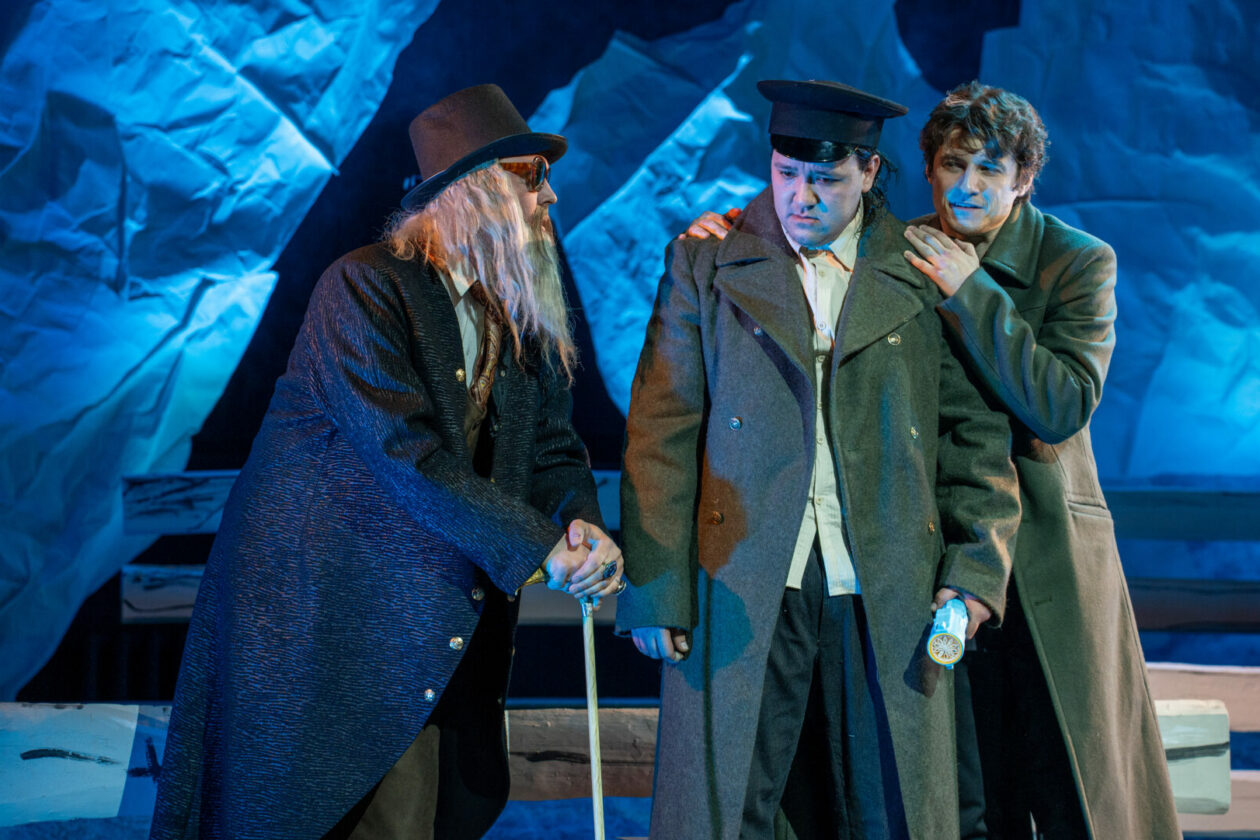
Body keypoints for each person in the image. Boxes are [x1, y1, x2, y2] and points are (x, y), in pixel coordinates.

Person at [149, 83, 624, 840]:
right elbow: (407, 457)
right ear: (474, 189)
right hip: (336, 631)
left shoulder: (514, 311)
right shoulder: (366, 287)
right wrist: (542, 550)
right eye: (531, 177)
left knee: (432, 815)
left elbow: (553, 449)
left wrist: (583, 528)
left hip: (430, 628)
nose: (549, 197)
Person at [615, 78, 1021, 840]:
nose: (802, 197)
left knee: (887, 806)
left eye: (827, 179)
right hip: (745, 580)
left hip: (883, 584)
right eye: (787, 173)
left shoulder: (923, 269)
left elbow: (973, 437)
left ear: (869, 172)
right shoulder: (707, 263)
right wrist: (656, 589)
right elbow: (660, 434)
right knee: (733, 806)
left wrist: (973, 572)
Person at [901, 81, 1179, 840]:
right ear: (928, 167)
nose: (967, 186)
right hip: (942, 546)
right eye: (953, 164)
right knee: (967, 789)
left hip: (1046, 551)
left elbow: (1060, 405)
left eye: (989, 169)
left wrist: (972, 290)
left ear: (1023, 179)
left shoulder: (1076, 260)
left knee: (1069, 786)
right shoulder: (903, 249)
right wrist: (725, 230)